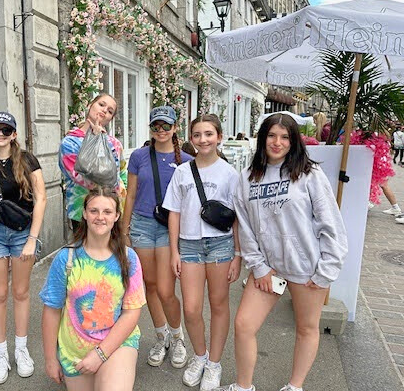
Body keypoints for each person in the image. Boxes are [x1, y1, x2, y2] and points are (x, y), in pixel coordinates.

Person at [223, 113, 348, 391]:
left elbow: (332, 224)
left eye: (284, 137)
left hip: (306, 268)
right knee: (244, 325)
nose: (277, 142)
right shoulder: (247, 178)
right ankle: (243, 386)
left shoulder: (309, 174)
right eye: (271, 135)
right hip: (269, 268)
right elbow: (245, 226)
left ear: (293, 142)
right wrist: (258, 266)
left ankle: (294, 386)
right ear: (262, 138)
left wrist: (327, 269)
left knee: (306, 328)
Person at [163, 114, 241, 390]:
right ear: (191, 139)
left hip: (220, 245)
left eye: (209, 134)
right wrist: (174, 251)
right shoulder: (183, 172)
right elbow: (173, 212)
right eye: (197, 135)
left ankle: (214, 364)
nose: (203, 139)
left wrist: (238, 254)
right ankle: (200, 355)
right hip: (190, 245)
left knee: (219, 305)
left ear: (219, 137)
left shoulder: (230, 174)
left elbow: (237, 217)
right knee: (193, 308)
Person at [40, 187, 146, 391]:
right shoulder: (66, 259)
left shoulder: (129, 258)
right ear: (85, 214)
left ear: (116, 216)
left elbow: (131, 313)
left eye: (107, 212)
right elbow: (52, 311)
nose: (100, 217)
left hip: (116, 344)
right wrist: (50, 359)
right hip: (75, 352)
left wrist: (100, 354)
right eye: (94, 210)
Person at [0, 112, 47, 383]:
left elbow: (40, 199)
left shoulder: (27, 160)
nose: (1, 134)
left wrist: (32, 238)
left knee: (21, 292)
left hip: (22, 232)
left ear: (14, 134)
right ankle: (1, 353)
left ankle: (21, 350)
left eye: (6, 129)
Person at [122, 106, 193, 369]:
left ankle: (178, 337)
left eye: (166, 126)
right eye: (156, 126)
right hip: (141, 224)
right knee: (149, 286)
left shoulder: (186, 160)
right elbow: (130, 194)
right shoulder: (139, 156)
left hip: (168, 228)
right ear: (150, 129)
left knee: (165, 289)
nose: (160, 131)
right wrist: (124, 228)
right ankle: (160, 336)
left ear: (175, 128)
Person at [59, 93, 127, 232]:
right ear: (90, 106)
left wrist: (121, 203)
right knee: (84, 252)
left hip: (111, 212)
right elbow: (82, 177)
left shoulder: (115, 144)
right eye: (101, 105)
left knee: (112, 252)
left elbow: (122, 175)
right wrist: (95, 140)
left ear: (110, 119)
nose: (104, 110)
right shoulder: (70, 143)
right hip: (82, 212)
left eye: (110, 111)